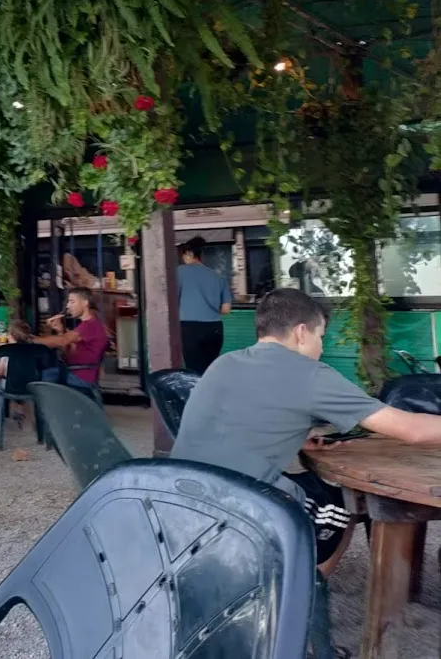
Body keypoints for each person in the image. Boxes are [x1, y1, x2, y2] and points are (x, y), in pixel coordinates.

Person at [173, 288, 441, 576]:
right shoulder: (311, 374)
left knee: (312, 487)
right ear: (302, 332)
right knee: (344, 500)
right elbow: (411, 429)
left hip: (174, 497)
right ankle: (307, 590)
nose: (321, 348)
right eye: (321, 336)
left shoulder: (224, 362)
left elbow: (234, 418)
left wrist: (299, 438)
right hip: (241, 505)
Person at [177, 236, 232, 374]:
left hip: (190, 328)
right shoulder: (218, 277)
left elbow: (171, 301)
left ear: (189, 253)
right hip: (214, 328)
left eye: (183, 255)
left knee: (194, 372)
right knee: (210, 371)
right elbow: (226, 309)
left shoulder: (179, 272)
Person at [34, 288, 109, 386]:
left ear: (85, 303)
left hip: (79, 377)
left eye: (72, 302)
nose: (68, 306)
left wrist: (29, 340)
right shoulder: (87, 324)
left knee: (35, 378)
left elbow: (63, 340)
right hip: (74, 373)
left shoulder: (90, 325)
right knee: (42, 375)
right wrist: (60, 330)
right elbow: (68, 352)